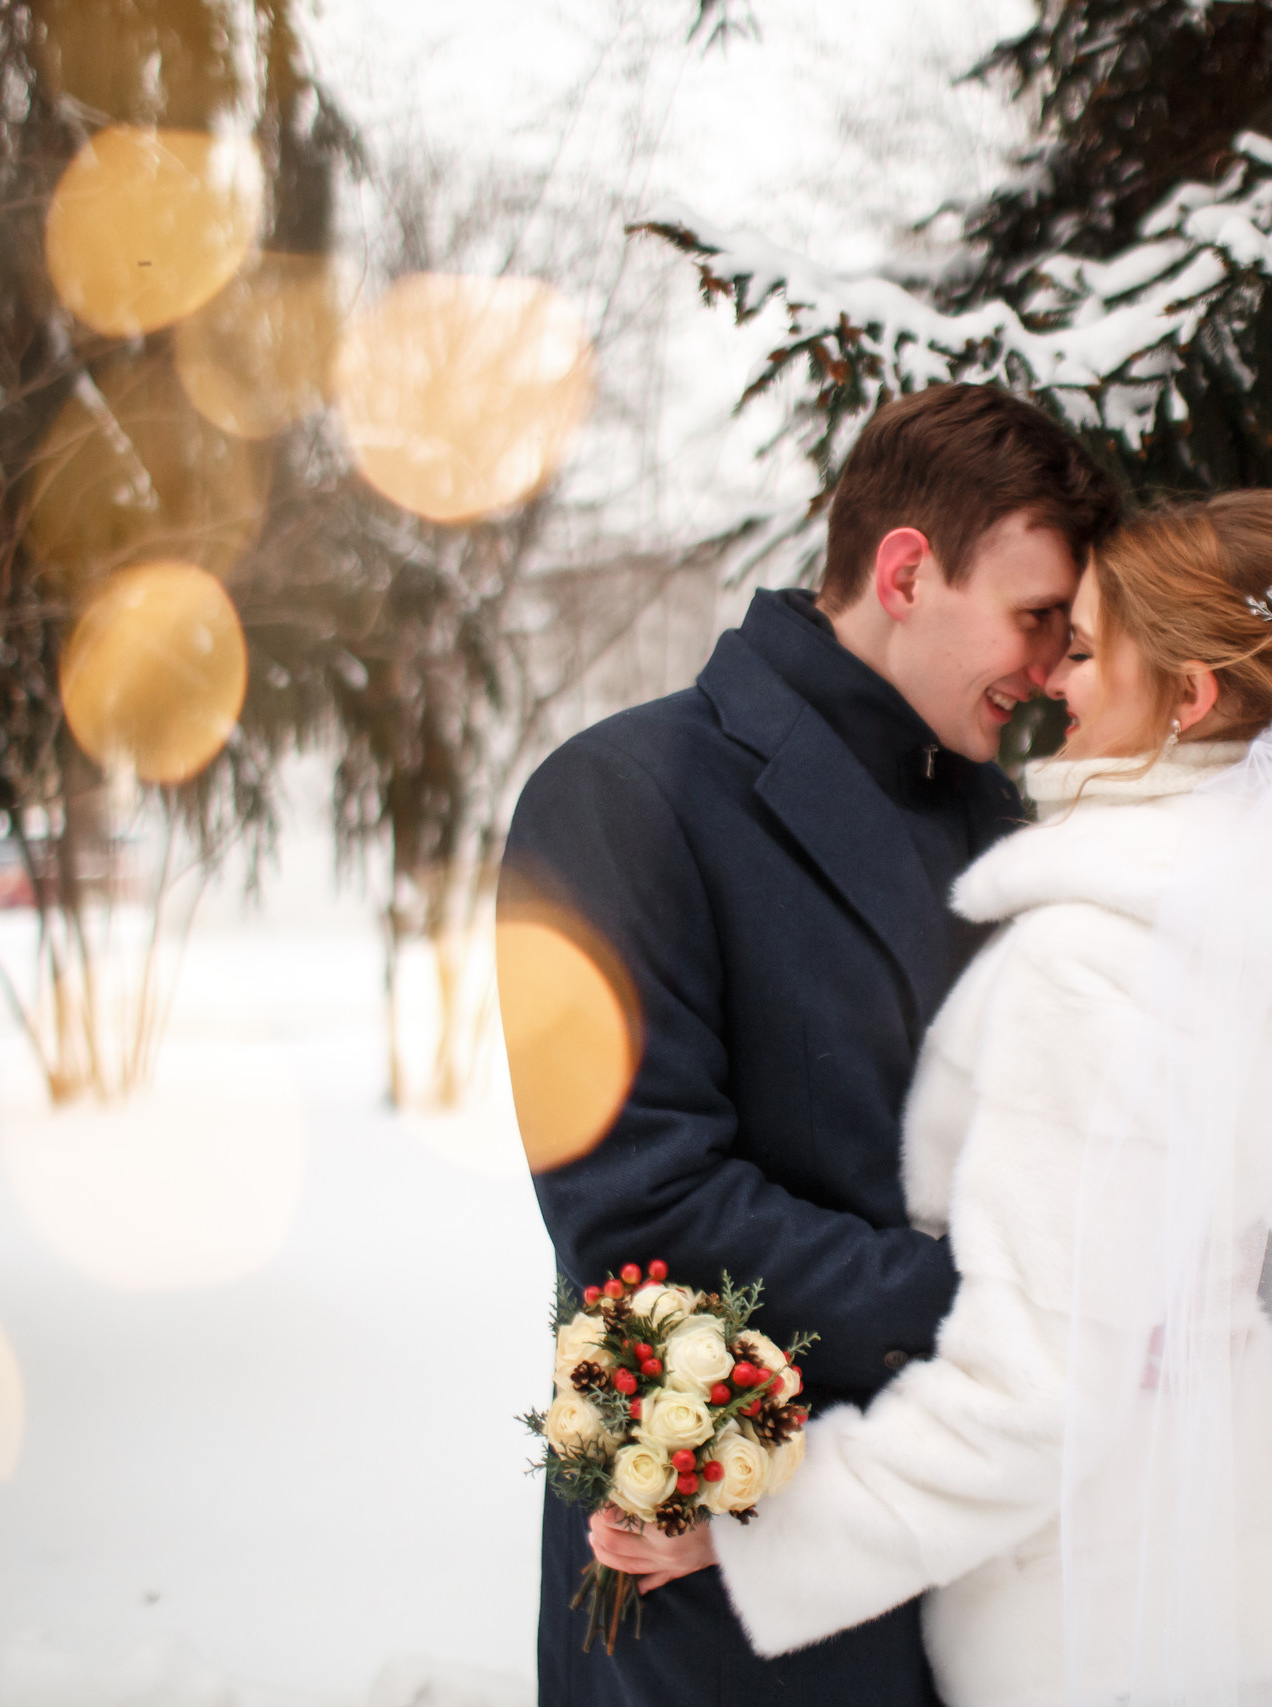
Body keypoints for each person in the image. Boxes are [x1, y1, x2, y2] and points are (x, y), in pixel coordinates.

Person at [592, 490, 1272, 1706]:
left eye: (1082, 650)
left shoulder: (1103, 959)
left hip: (1104, 1619)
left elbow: (1036, 1394)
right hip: (1250, 1562)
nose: (1051, 681)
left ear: (1185, 697)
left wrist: (764, 1529)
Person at [499, 382, 1123, 1707]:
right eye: (1034, 617)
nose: (1051, 665)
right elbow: (638, 1201)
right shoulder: (621, 794)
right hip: (715, 1596)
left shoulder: (1014, 827)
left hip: (961, 1571)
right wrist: (1002, 1310)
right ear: (907, 569)